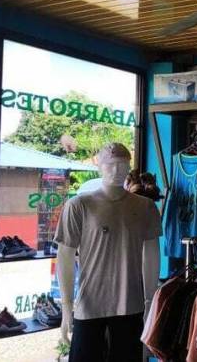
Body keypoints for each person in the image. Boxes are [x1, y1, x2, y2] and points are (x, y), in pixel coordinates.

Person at [54, 143, 162, 362]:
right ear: (99, 167)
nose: (117, 170)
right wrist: (67, 307)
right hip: (89, 307)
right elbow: (65, 256)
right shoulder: (79, 205)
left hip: (131, 306)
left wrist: (150, 302)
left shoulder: (146, 207)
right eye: (110, 165)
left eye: (123, 165)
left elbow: (151, 255)